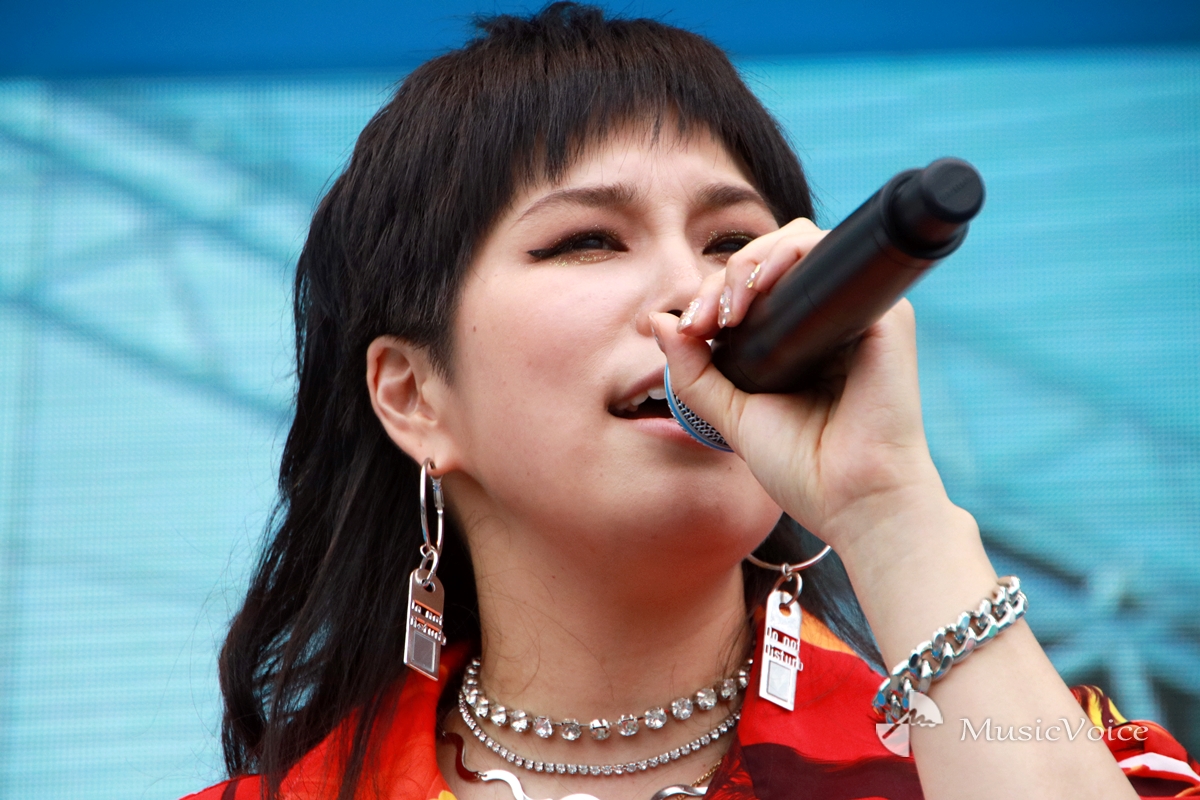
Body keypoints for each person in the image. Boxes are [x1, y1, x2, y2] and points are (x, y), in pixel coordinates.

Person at [185, 5, 1198, 799]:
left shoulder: (1025, 749)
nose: (695, 293)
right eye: (587, 240)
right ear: (415, 396)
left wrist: (892, 511)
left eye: (731, 242)